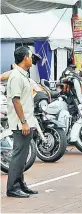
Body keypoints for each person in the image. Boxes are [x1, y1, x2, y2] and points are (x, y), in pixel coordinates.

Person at [6, 46, 38, 198]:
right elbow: (16, 101)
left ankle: (20, 183)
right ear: (25, 58)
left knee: (23, 155)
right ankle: (12, 187)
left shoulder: (22, 74)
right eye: (31, 56)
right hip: (21, 123)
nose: (32, 59)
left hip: (27, 121)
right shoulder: (16, 76)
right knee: (19, 155)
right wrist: (24, 122)